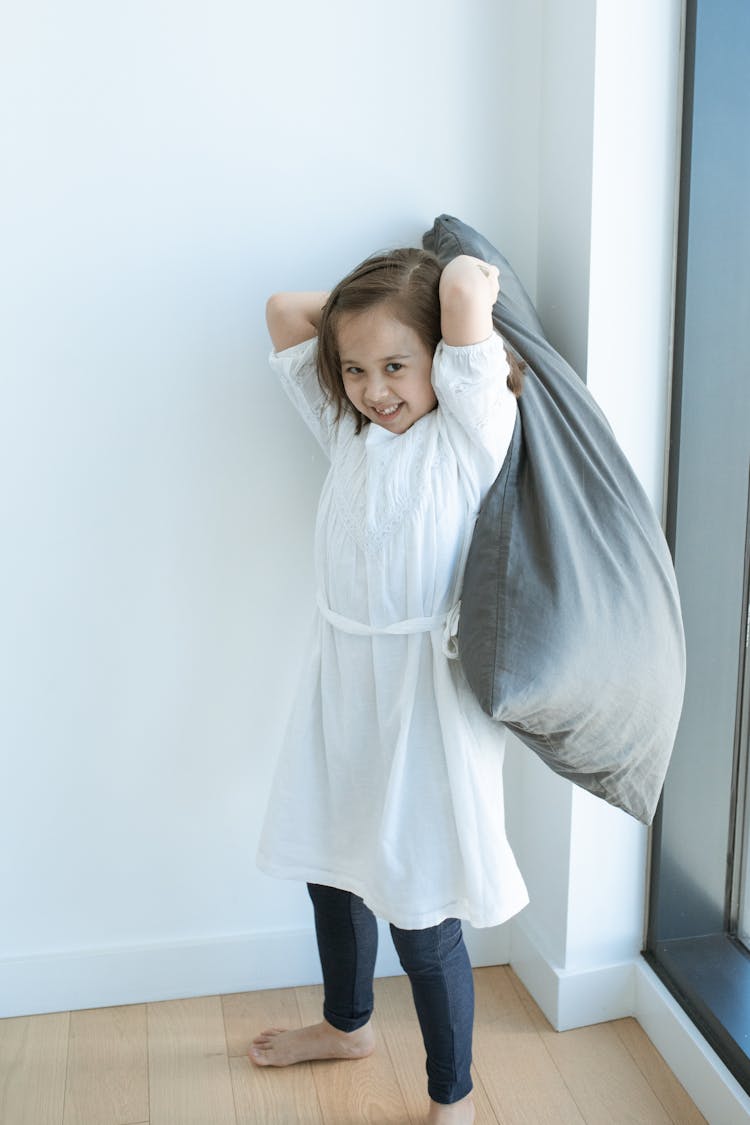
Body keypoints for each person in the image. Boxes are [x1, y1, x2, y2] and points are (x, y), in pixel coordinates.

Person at [251, 246, 529, 1125]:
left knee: (421, 903)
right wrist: (361, 327)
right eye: (356, 370)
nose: (376, 388)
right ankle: (348, 1023)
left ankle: (454, 1094)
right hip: (340, 686)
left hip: (425, 703)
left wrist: (451, 294)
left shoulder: (469, 433)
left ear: (444, 360)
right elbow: (284, 311)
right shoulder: (350, 433)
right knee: (332, 871)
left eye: (397, 366)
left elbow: (459, 288)